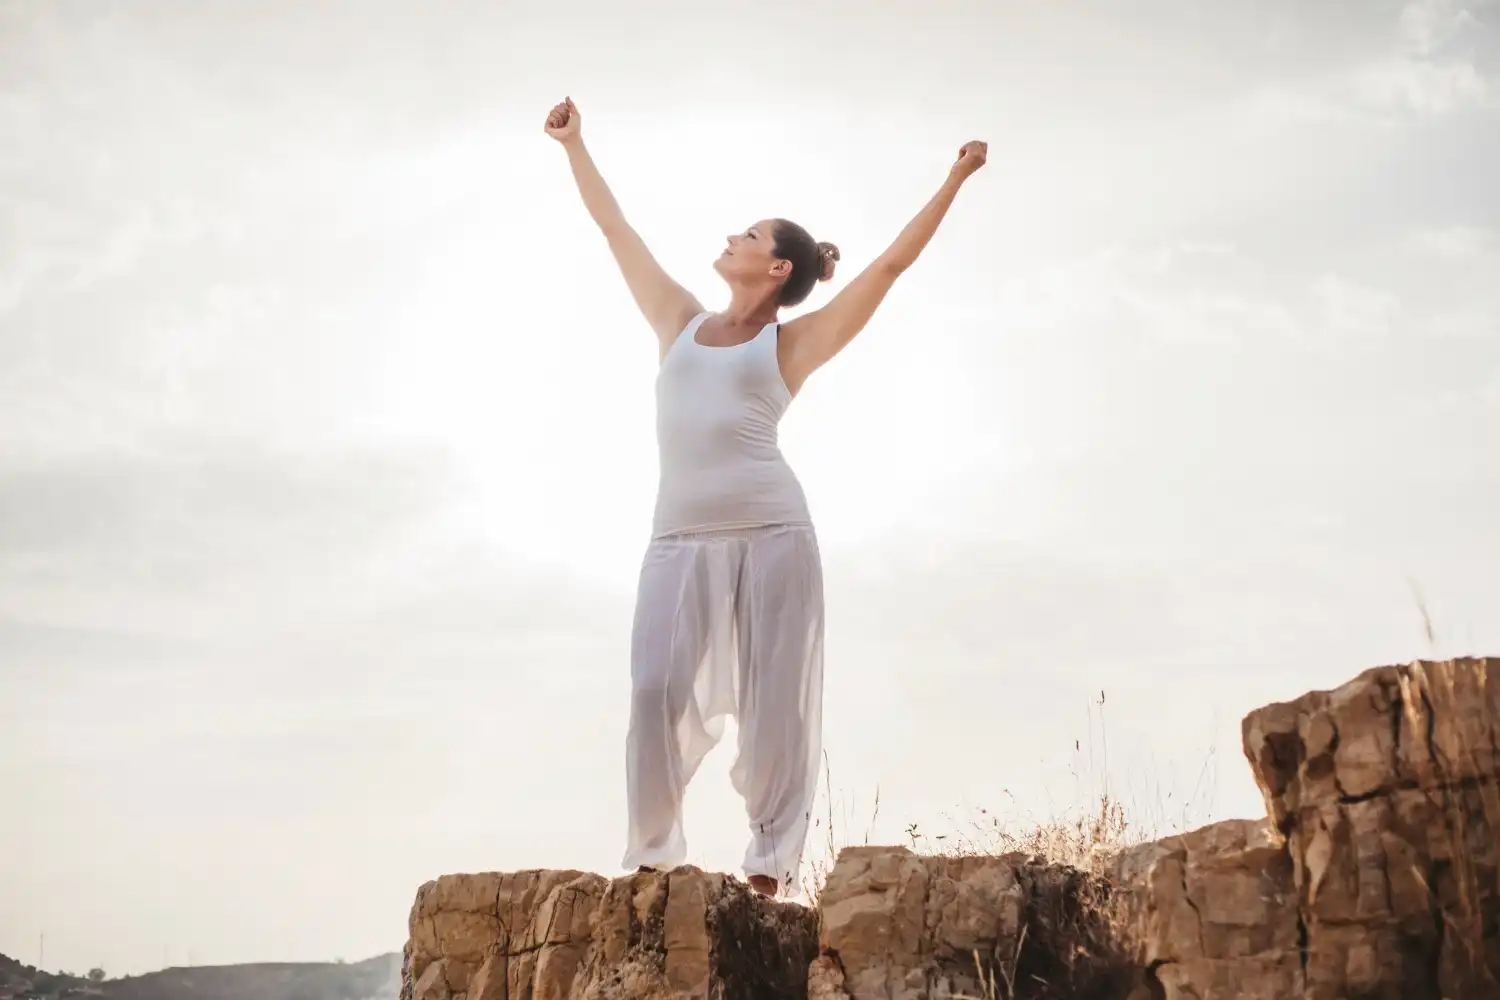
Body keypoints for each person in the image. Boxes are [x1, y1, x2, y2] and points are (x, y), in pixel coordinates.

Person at [544, 96, 986, 897]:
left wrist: (954, 178)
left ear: (777, 267)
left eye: (747, 235)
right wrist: (576, 146)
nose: (730, 239)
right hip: (677, 537)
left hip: (774, 532)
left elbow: (889, 266)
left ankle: (769, 868)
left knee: (777, 704)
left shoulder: (792, 343)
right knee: (653, 690)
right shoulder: (677, 320)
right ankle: (653, 851)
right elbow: (618, 233)